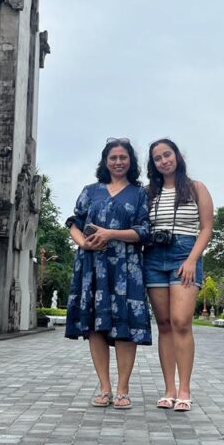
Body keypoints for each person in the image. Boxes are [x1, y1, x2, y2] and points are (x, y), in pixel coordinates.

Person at [65, 138, 151, 409]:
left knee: (125, 326)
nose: (118, 162)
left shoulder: (139, 194)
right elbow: (74, 222)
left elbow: (144, 231)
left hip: (126, 266)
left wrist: (111, 233)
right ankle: (104, 387)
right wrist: (83, 243)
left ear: (130, 161)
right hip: (93, 264)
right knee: (95, 326)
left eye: (123, 157)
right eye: (113, 157)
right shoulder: (91, 191)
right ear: (105, 161)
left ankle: (123, 389)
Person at [144, 139, 213, 412]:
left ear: (177, 156)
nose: (164, 161)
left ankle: (185, 389)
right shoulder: (149, 192)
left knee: (181, 322)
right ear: (153, 164)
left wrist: (191, 260)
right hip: (153, 256)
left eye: (167, 154)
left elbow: (206, 228)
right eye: (158, 158)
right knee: (163, 324)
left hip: (184, 253)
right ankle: (169, 389)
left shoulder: (196, 188)